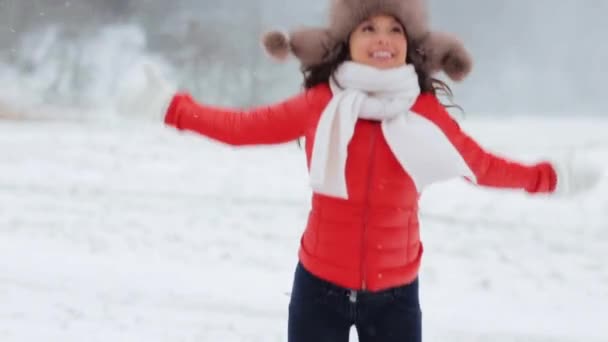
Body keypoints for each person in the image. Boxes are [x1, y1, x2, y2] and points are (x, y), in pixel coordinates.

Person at [156, 1, 603, 341]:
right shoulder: (321, 104)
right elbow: (241, 128)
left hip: (396, 296)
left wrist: (550, 177)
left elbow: (481, 166)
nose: (382, 36)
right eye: (368, 26)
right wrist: (173, 108)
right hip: (318, 288)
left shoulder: (425, 112)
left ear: (410, 44)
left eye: (395, 28)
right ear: (346, 41)